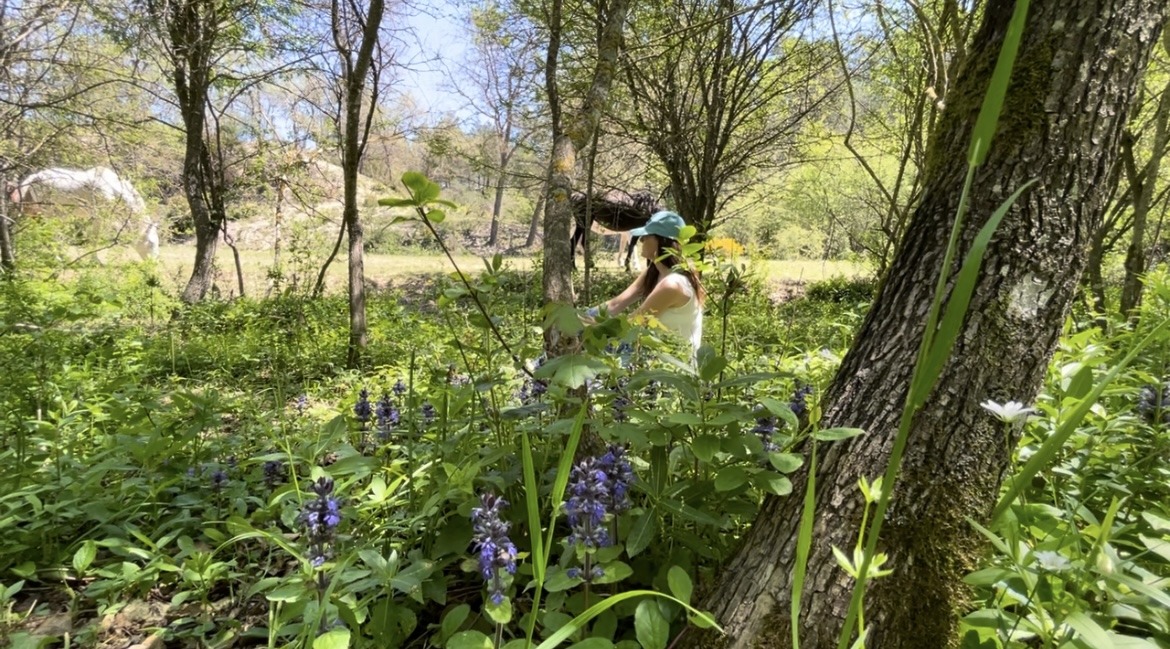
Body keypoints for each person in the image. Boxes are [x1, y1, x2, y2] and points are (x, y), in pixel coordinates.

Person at [585, 210, 705, 357]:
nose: (641, 240)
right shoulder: (655, 271)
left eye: (646, 236)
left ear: (662, 241)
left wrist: (593, 326)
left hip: (672, 367)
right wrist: (582, 315)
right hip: (654, 355)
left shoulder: (673, 284)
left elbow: (634, 323)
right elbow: (616, 304)